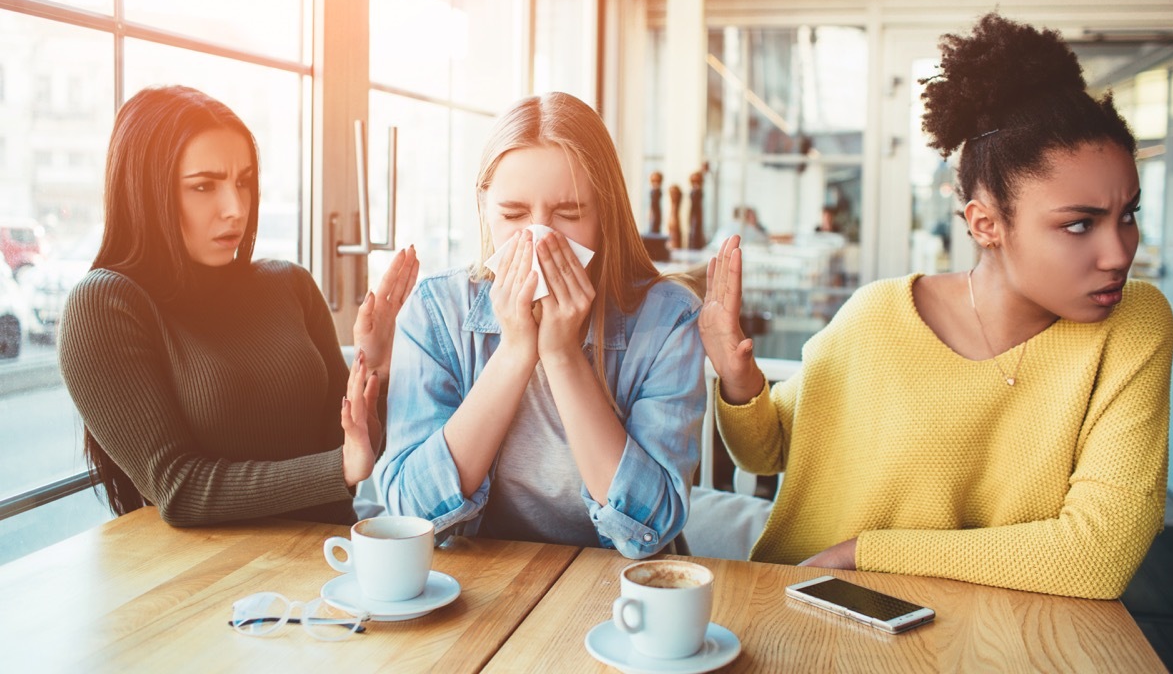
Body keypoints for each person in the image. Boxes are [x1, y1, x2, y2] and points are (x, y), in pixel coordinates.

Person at [698, 13, 1173, 599]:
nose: (1119, 252)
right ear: (986, 224)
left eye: (1128, 214)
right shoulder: (877, 319)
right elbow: (767, 449)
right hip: (812, 608)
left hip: (997, 628)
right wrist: (740, 379)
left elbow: (1097, 554)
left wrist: (864, 553)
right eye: (1080, 224)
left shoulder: (1134, 322)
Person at [58, 85, 419, 527]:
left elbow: (348, 445)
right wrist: (339, 468)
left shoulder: (289, 285)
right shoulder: (105, 305)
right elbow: (179, 488)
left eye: (243, 182)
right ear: (145, 193)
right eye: (204, 186)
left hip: (329, 558)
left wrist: (376, 362)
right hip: (208, 578)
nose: (235, 208)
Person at [375, 92, 706, 558]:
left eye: (568, 215)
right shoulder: (436, 312)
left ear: (604, 215)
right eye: (513, 215)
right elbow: (410, 513)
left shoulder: (667, 320)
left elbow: (651, 526)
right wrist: (514, 353)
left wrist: (563, 355)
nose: (539, 238)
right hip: (485, 584)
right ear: (485, 207)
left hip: (621, 586)